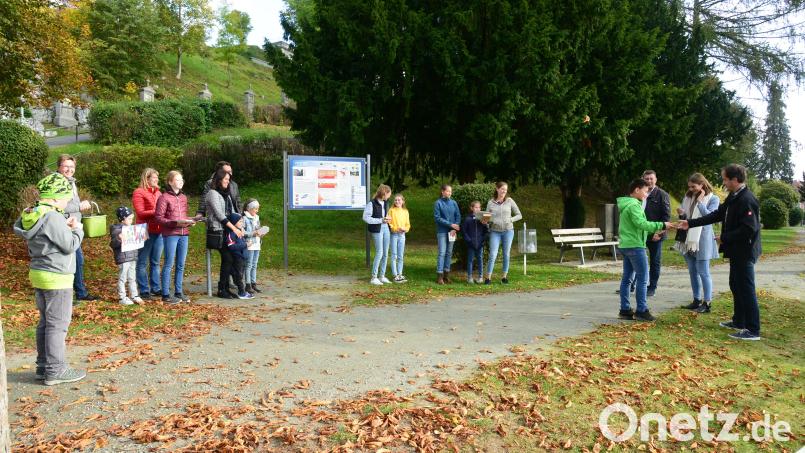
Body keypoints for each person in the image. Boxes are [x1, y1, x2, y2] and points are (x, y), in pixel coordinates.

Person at [13, 173, 87, 386]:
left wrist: (65, 224)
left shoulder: (33, 212)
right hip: (57, 275)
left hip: (39, 272)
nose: (66, 203)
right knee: (58, 325)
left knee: (46, 323)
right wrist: (77, 230)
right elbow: (69, 245)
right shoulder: (52, 216)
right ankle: (56, 370)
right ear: (54, 197)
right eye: (64, 198)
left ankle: (43, 366)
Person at [678, 164, 762, 341]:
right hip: (736, 251)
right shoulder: (733, 196)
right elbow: (717, 215)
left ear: (734, 179)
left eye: (725, 179)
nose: (723, 182)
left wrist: (725, 237)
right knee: (735, 285)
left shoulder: (746, 199)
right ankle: (739, 321)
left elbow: (749, 229)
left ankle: (753, 330)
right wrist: (690, 223)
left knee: (746, 289)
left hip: (745, 251)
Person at [616, 179, 673, 322]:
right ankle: (641, 310)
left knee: (627, 278)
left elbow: (633, 227)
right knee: (643, 278)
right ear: (636, 190)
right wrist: (662, 224)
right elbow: (640, 223)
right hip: (635, 247)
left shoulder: (627, 204)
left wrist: (650, 234)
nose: (647, 194)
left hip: (626, 245)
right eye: (645, 191)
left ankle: (625, 310)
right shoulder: (634, 205)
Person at [675, 173, 720, 313]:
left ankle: (707, 303)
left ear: (702, 185)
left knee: (703, 272)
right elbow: (686, 218)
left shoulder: (713, 198)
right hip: (687, 239)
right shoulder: (688, 197)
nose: (691, 189)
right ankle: (696, 299)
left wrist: (700, 202)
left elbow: (709, 217)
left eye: (693, 186)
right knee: (692, 271)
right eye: (689, 186)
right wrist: (681, 214)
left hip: (702, 239)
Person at [56, 154, 97, 303]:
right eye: (66, 166)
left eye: (72, 167)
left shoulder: (71, 182)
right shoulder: (58, 182)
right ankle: (74, 293)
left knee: (77, 260)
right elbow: (58, 204)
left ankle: (79, 292)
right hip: (63, 226)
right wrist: (78, 206)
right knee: (72, 261)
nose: (69, 169)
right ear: (59, 167)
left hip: (73, 226)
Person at [155, 171, 198, 304]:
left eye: (182, 179)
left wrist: (191, 221)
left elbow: (183, 216)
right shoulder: (164, 197)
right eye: (177, 180)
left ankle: (178, 292)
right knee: (169, 263)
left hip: (184, 233)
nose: (181, 182)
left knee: (181, 264)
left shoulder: (184, 197)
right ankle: (166, 294)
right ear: (170, 182)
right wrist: (173, 223)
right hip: (170, 234)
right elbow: (158, 218)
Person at [205, 169, 243, 299]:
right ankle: (222, 289)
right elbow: (220, 215)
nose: (228, 182)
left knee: (230, 259)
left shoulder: (226, 193)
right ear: (219, 180)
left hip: (227, 230)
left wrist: (240, 223)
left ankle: (225, 287)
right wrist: (234, 228)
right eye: (226, 179)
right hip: (217, 231)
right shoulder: (212, 193)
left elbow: (232, 211)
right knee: (228, 258)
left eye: (228, 180)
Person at [132, 168, 163, 299]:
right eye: (154, 178)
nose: (156, 180)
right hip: (143, 230)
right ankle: (144, 289)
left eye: (157, 178)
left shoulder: (159, 193)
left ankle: (156, 288)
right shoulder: (139, 192)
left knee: (155, 261)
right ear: (147, 178)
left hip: (159, 230)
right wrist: (157, 212)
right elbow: (140, 212)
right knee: (142, 261)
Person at [485, 181, 522, 284]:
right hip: (495, 232)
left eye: (505, 190)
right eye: (502, 189)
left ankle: (504, 277)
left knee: (506, 254)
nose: (504, 191)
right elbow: (487, 217)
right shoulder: (490, 202)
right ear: (497, 189)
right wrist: (486, 222)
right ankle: (488, 278)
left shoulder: (509, 201)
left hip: (508, 231)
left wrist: (510, 220)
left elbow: (519, 215)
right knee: (493, 254)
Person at [641, 170, 671, 297]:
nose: (649, 181)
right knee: (638, 261)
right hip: (641, 233)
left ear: (656, 179)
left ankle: (652, 287)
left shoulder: (662, 195)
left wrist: (658, 233)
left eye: (651, 178)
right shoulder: (640, 193)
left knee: (654, 261)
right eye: (646, 178)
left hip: (656, 235)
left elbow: (666, 217)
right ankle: (632, 285)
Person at [109, 206, 143, 306]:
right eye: (129, 218)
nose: (131, 221)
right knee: (122, 278)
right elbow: (113, 244)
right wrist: (120, 239)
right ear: (122, 219)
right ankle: (122, 297)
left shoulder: (132, 229)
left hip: (133, 257)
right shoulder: (116, 230)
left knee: (132, 277)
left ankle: (134, 295)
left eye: (132, 218)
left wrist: (141, 238)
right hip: (123, 258)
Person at [363, 184, 392, 285]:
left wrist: (387, 219)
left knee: (385, 253)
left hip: (386, 229)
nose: (389, 196)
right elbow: (366, 218)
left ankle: (382, 276)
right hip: (377, 229)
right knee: (379, 252)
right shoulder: (372, 203)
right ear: (384, 193)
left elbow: (385, 215)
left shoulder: (386, 203)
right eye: (388, 194)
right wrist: (381, 220)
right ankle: (374, 277)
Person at [433, 184, 461, 284]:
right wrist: (451, 225)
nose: (449, 193)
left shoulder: (454, 203)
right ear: (442, 191)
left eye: (450, 191)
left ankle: (446, 275)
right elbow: (437, 218)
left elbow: (458, 216)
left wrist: (455, 228)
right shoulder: (438, 203)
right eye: (447, 191)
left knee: (449, 253)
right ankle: (439, 276)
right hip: (442, 231)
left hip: (452, 232)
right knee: (442, 253)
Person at [225, 212, 253, 299]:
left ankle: (242, 291)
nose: (242, 223)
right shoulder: (231, 233)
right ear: (234, 222)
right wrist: (246, 245)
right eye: (240, 221)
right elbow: (231, 246)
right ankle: (242, 293)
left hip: (243, 257)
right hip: (237, 258)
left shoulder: (240, 232)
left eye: (242, 221)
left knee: (240, 275)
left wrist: (246, 243)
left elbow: (241, 242)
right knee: (239, 276)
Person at [242, 199, 266, 293]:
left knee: (255, 264)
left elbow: (258, 229)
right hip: (249, 244)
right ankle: (247, 284)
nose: (257, 211)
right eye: (255, 209)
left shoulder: (257, 218)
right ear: (249, 209)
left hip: (257, 243)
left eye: (257, 209)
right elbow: (243, 233)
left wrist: (261, 232)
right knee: (248, 264)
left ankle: (253, 283)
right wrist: (253, 233)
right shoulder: (244, 218)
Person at [462, 200, 489, 284]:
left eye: (479, 207)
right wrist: (469, 241)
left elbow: (486, 231)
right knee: (470, 260)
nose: (478, 209)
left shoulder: (483, 219)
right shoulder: (467, 219)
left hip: (480, 244)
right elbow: (464, 231)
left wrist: (483, 241)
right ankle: (469, 278)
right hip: (471, 244)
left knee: (480, 260)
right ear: (471, 208)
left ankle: (480, 277)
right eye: (476, 207)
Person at [388, 193, 410, 283]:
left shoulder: (405, 211)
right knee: (394, 255)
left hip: (402, 235)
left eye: (399, 200)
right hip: (394, 235)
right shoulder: (391, 210)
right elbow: (389, 223)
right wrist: (395, 229)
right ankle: (395, 275)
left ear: (403, 201)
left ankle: (400, 274)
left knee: (400, 255)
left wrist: (405, 229)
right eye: (396, 200)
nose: (397, 201)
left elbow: (408, 224)